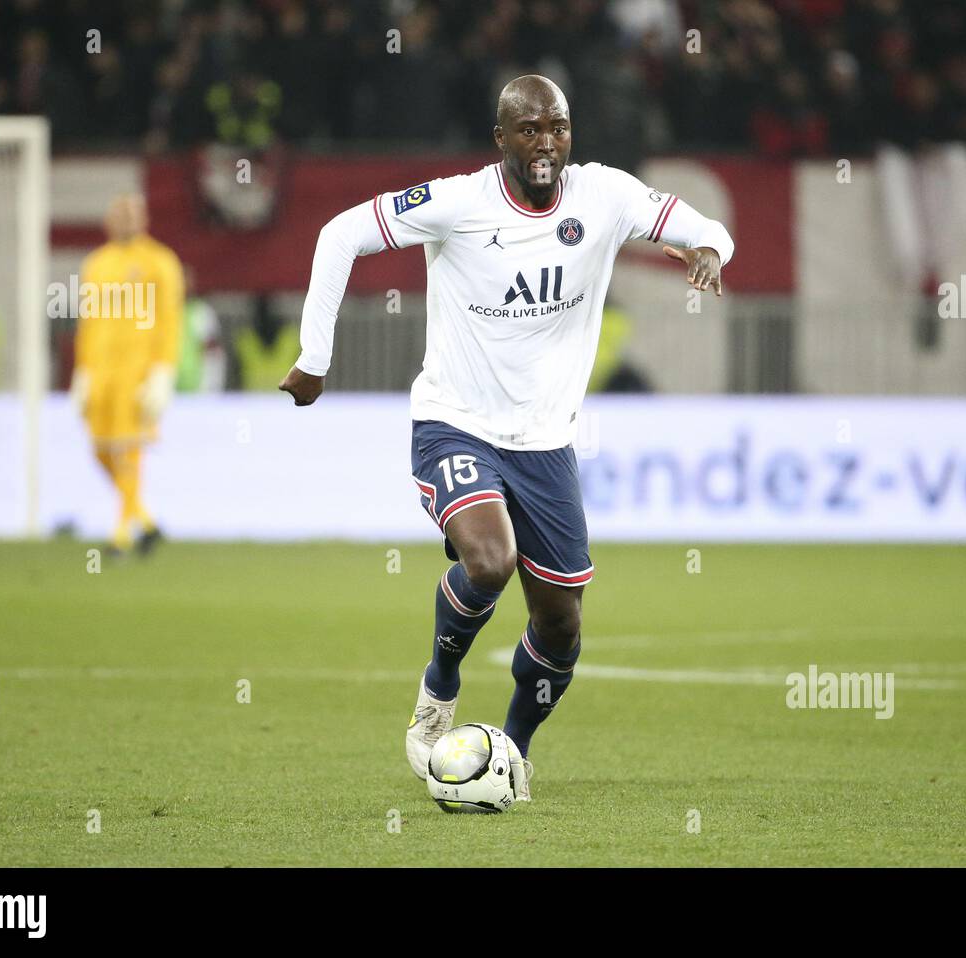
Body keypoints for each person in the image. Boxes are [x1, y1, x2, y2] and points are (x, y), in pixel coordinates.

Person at [280, 75, 732, 800]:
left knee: (561, 625)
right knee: (489, 562)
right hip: (454, 424)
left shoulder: (605, 196)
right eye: (529, 129)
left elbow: (708, 228)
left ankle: (509, 756)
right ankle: (439, 687)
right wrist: (315, 358)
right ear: (502, 140)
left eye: (557, 126)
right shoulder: (457, 204)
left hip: (547, 445)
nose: (546, 142)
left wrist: (711, 252)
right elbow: (340, 235)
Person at [71, 194, 184, 555]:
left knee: (129, 449)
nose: (125, 219)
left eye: (132, 213)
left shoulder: (160, 261)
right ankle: (146, 523)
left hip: (138, 370)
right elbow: (88, 323)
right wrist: (82, 371)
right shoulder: (96, 264)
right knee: (100, 451)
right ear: (108, 219)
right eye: (119, 213)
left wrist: (163, 370)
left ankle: (120, 534)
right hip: (101, 371)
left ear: (144, 218)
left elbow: (170, 319)